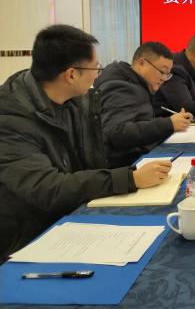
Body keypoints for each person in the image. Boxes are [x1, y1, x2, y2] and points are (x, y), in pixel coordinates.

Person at [0, 25, 171, 260]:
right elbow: (48, 188)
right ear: (71, 75)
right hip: (27, 237)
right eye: (95, 68)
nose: (98, 75)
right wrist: (130, 178)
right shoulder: (10, 118)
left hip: (74, 213)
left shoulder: (74, 101)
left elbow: (90, 162)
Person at [95, 42, 193, 168]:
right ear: (142, 63)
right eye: (162, 72)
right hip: (125, 166)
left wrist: (171, 122)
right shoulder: (121, 87)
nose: (164, 78)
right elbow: (116, 133)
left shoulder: (138, 84)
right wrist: (168, 124)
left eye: (168, 74)